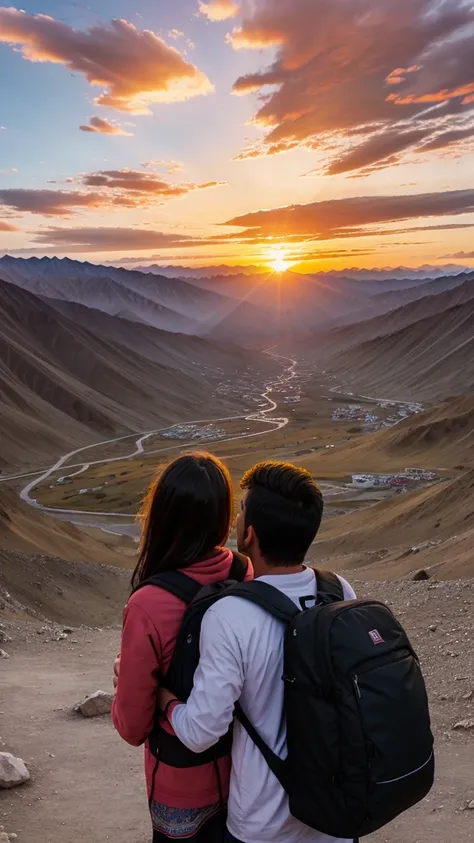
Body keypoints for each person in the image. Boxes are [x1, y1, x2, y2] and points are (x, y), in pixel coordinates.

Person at [158, 461, 356, 843]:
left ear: (249, 534)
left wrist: (166, 701)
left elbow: (200, 732)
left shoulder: (229, 614)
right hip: (336, 817)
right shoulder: (338, 591)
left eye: (242, 509)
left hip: (263, 825)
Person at [112, 451, 253, 842]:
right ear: (223, 517)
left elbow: (131, 726)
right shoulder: (246, 573)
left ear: (162, 518)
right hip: (248, 772)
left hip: (181, 786)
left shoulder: (148, 604)